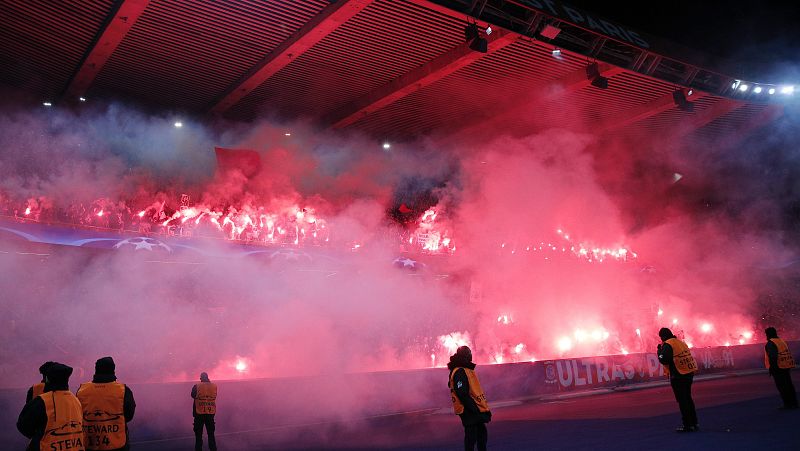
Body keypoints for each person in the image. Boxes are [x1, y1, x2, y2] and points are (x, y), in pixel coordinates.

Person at [17, 362, 85, 451]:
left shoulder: (42, 400)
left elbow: (23, 425)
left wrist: (38, 436)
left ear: (48, 379)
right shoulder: (75, 399)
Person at [76, 356, 136, 451]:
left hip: (89, 444)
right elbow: (129, 415)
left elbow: (77, 415)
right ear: (113, 370)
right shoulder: (123, 390)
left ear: (96, 370)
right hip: (117, 445)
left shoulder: (82, 390)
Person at [447, 346, 491, 451]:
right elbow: (462, 393)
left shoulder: (465, 369)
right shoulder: (460, 371)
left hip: (473, 408)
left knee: (481, 434)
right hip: (467, 409)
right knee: (472, 436)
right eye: (469, 353)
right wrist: (475, 409)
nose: (471, 355)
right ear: (465, 355)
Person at [657, 327, 699, 432]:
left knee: (682, 400)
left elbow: (663, 359)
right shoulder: (680, 342)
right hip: (689, 372)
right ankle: (694, 423)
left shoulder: (668, 344)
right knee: (688, 398)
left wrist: (659, 351)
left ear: (663, 336)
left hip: (679, 375)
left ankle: (687, 425)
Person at [764, 327, 798, 409]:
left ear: (768, 334)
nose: (766, 336)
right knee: (789, 385)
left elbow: (773, 357)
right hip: (786, 365)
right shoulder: (781, 341)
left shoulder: (770, 343)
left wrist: (772, 369)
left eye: (766, 334)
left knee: (782, 386)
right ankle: (794, 402)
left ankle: (787, 404)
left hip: (778, 368)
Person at [191, 372, 218, 451]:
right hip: (210, 414)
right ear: (208, 377)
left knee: (198, 437)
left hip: (199, 414)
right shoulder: (214, 386)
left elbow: (193, 395)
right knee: (211, 435)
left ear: (201, 378)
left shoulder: (197, 386)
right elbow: (215, 396)